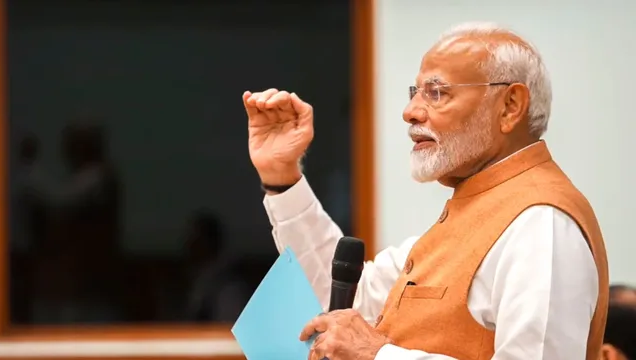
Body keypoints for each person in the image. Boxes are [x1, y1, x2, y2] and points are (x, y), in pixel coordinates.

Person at [243, 22, 609, 360]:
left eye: (436, 93)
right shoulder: (473, 211)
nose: (410, 112)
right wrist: (281, 175)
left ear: (510, 106)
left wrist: (378, 354)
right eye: (415, 93)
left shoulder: (541, 223)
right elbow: (346, 299)